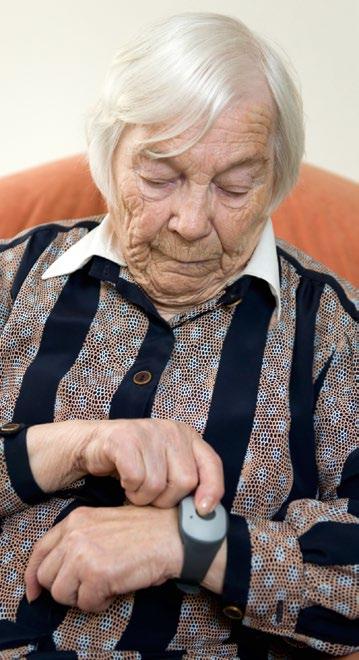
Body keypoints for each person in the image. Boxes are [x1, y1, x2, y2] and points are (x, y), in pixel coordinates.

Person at [0, 11, 357, 660]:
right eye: (160, 178)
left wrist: (193, 542)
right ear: (107, 158)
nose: (191, 221)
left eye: (234, 185)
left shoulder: (332, 333)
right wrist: (71, 446)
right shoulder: (8, 282)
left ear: (274, 181)